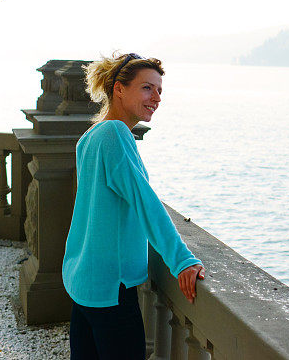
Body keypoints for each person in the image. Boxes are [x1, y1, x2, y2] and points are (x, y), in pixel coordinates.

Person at [62, 52, 205, 360]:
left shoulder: (89, 137)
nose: (156, 97)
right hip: (111, 290)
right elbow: (146, 202)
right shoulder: (115, 134)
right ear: (119, 89)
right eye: (147, 88)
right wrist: (182, 260)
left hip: (83, 282)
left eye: (159, 91)